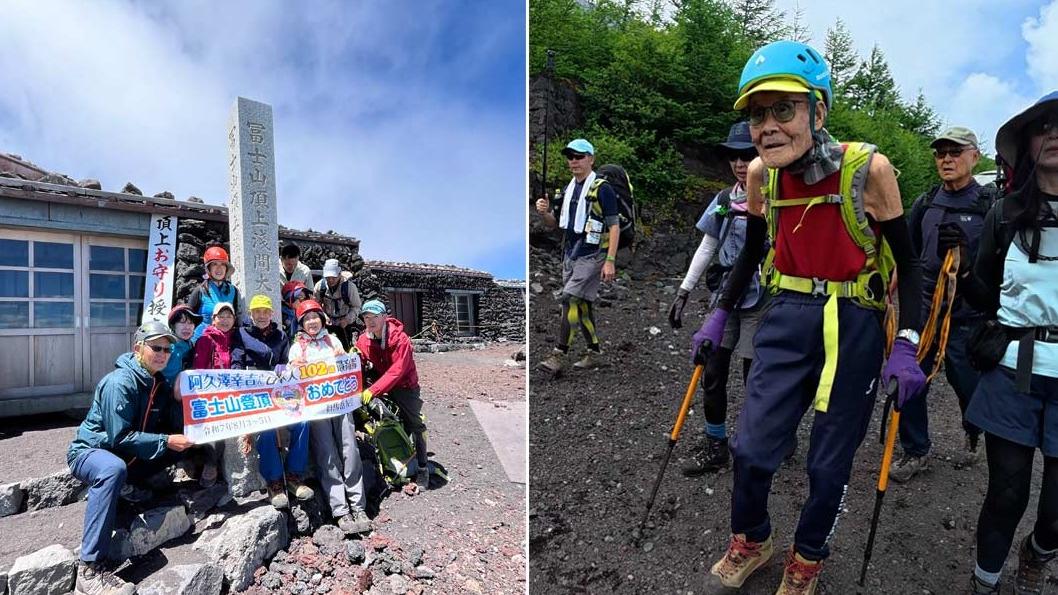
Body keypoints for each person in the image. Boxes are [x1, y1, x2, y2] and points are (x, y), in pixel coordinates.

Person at [694, 41, 926, 594]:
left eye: (783, 110)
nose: (767, 126)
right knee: (750, 448)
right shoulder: (759, 176)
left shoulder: (869, 170)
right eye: (756, 113)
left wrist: (908, 342)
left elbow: (911, 264)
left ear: (818, 112)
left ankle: (809, 558)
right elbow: (752, 253)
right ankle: (752, 538)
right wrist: (719, 314)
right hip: (788, 312)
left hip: (855, 321)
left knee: (828, 463)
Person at [959, 91, 1058, 595]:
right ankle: (986, 582)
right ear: (1028, 142)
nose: (1056, 133)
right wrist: (956, 270)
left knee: (1056, 510)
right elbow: (985, 289)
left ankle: (1040, 549)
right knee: (1007, 490)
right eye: (1045, 126)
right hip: (1013, 367)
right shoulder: (1005, 215)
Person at [889, 126, 994, 484]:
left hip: (967, 316)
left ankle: (973, 430)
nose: (946, 159)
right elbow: (909, 252)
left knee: (968, 385)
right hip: (922, 313)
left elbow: (996, 265)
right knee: (912, 379)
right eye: (940, 153)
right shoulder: (927, 201)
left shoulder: (988, 205)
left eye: (955, 152)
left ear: (974, 156)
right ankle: (915, 450)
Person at [668, 121, 765, 475]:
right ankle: (715, 442)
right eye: (734, 157)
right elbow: (708, 244)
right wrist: (684, 290)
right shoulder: (724, 200)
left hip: (761, 297)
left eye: (748, 155)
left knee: (754, 375)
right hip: (724, 295)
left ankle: (763, 441)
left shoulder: (774, 197)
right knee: (712, 370)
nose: (741, 164)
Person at [67, 320, 193, 595]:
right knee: (113, 469)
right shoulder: (120, 382)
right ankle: (89, 569)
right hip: (91, 452)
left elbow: (167, 425)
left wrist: (176, 398)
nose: (162, 353)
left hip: (128, 457)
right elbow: (119, 438)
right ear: (138, 348)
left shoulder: (158, 382)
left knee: (173, 450)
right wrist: (166, 441)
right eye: (156, 347)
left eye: (167, 350)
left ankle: (126, 490)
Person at [534, 138, 619, 374]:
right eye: (570, 156)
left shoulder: (603, 189)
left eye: (579, 156)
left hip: (593, 255)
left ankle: (558, 355)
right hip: (570, 254)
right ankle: (595, 353)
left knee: (569, 298)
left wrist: (610, 261)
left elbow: (614, 226)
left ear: (591, 159)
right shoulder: (566, 191)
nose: (574, 161)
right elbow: (555, 225)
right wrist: (544, 213)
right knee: (581, 304)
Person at [289, 299, 371, 534]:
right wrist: (296, 367)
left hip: (341, 403)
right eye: (307, 319)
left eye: (315, 317)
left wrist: (343, 357)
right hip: (317, 409)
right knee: (327, 455)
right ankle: (340, 509)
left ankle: (359, 505)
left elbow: (347, 366)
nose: (312, 322)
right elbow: (293, 378)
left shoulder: (332, 340)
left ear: (322, 319)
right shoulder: (297, 348)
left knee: (350, 450)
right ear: (301, 324)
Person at [230, 294, 313, 508]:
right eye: (257, 311)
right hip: (255, 393)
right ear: (250, 314)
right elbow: (236, 361)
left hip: (279, 391)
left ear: (271, 313)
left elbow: (286, 362)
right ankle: (274, 482)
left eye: (265, 311)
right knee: (266, 427)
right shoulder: (241, 334)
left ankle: (294, 476)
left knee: (302, 421)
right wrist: (245, 377)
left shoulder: (281, 336)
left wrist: (284, 368)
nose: (261, 315)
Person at [356, 299, 430, 489]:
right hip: (380, 382)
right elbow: (361, 358)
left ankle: (422, 467)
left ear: (384, 317)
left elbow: (397, 370)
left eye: (374, 317)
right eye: (366, 317)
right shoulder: (364, 339)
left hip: (405, 385)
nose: (370, 321)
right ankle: (393, 458)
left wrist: (373, 390)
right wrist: (353, 355)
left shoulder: (400, 339)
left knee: (415, 423)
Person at [188, 301, 239, 487]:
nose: (225, 320)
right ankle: (211, 464)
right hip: (211, 394)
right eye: (221, 316)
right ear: (213, 319)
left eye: (229, 316)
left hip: (233, 393)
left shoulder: (237, 338)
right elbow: (199, 370)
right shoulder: (205, 339)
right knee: (215, 423)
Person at [187, 245, 241, 342]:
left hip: (226, 342)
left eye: (222, 264)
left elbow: (236, 318)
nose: (219, 268)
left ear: (226, 268)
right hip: (202, 342)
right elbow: (188, 319)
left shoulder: (234, 291)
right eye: (215, 264)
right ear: (208, 268)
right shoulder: (199, 291)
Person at [313, 258, 362, 350]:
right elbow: (316, 305)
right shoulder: (320, 286)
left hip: (344, 324)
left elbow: (356, 306)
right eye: (328, 277)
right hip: (327, 324)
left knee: (345, 349)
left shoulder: (349, 287)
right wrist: (323, 316)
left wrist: (347, 320)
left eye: (334, 277)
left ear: (339, 274)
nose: (330, 280)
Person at [160, 304, 201, 388]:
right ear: (173, 326)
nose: (187, 327)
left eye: (191, 323)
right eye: (182, 322)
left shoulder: (191, 345)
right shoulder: (166, 348)